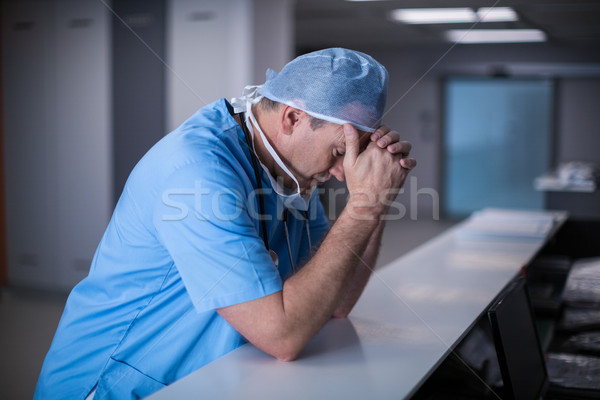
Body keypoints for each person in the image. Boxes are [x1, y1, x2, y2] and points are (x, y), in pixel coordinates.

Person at [34, 48, 416, 399]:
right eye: (339, 151)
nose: (340, 173)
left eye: (356, 153)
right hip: (113, 385)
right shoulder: (196, 174)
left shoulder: (290, 176)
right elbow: (282, 334)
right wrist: (363, 206)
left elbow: (336, 303)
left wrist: (376, 198)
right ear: (292, 118)